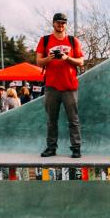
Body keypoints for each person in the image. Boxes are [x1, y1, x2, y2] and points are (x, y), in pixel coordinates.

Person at [36, 13, 85, 158]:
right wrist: (49, 58)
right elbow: (39, 62)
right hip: (51, 86)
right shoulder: (44, 40)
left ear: (66, 25)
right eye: (58, 22)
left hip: (69, 86)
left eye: (63, 23)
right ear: (53, 24)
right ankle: (51, 148)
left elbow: (81, 61)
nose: (60, 25)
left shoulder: (72, 40)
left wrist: (67, 57)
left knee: (73, 120)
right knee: (51, 121)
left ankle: (76, 148)